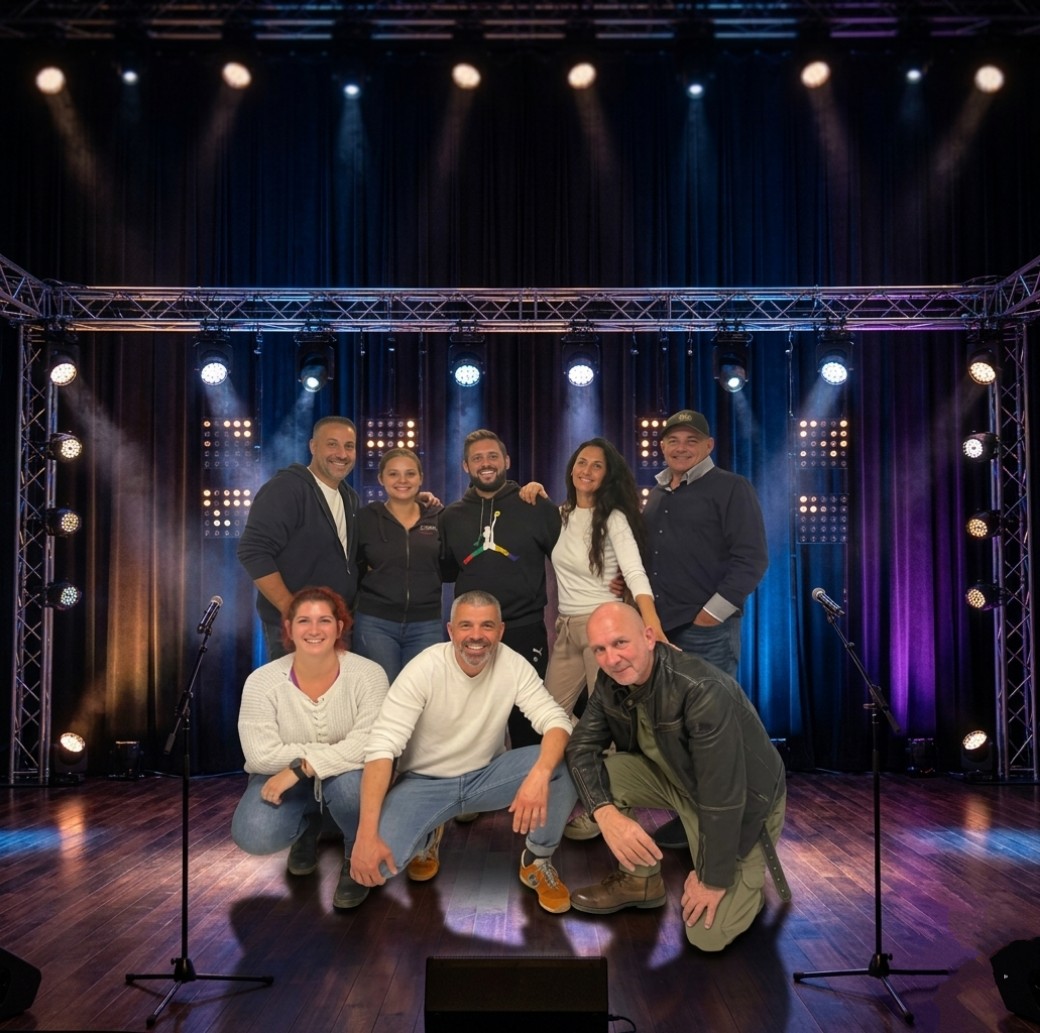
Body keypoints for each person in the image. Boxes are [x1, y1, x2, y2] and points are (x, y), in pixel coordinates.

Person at [565, 602, 789, 952]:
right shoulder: (611, 681)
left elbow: (724, 794)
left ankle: (749, 888)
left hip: (745, 804)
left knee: (707, 936)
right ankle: (639, 882)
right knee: (598, 776)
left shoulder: (700, 688)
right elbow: (580, 749)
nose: (611, 659)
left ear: (648, 637)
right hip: (679, 781)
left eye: (620, 643)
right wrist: (605, 814)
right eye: (600, 649)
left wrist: (712, 879)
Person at [349, 591, 578, 914]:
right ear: (451, 630)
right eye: (466, 625)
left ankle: (537, 860)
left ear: (500, 630)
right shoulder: (425, 667)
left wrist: (539, 774)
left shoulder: (512, 664)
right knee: (377, 870)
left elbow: (556, 720)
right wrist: (365, 835)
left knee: (563, 763)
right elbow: (382, 747)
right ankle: (429, 835)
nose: (476, 635)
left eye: (487, 626)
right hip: (424, 782)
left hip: (487, 776)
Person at [642, 409, 768, 848]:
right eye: (673, 440)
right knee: (676, 733)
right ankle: (693, 818)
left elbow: (752, 559)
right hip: (663, 633)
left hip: (705, 632)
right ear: (662, 446)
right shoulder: (657, 493)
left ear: (708, 446)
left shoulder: (731, 487)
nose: (681, 448)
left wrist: (710, 615)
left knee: (713, 731)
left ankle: (726, 830)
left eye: (690, 441)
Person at [230, 586, 390, 911]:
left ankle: (356, 855)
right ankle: (307, 826)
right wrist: (329, 755)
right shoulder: (261, 681)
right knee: (253, 833)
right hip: (286, 776)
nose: (314, 630)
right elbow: (260, 755)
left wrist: (302, 767)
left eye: (324, 621)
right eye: (304, 621)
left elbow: (371, 744)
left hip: (343, 777)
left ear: (340, 627)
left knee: (350, 789)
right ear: (289, 628)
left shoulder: (369, 675)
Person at [439, 429, 562, 748]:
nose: (486, 463)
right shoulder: (450, 517)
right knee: (473, 723)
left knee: (527, 723)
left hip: (525, 630)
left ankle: (530, 777)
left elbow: (569, 558)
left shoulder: (535, 506)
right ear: (465, 466)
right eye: (477, 458)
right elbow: (445, 571)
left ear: (506, 461)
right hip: (472, 635)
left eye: (492, 456)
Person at [237, 416, 361, 660]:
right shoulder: (286, 488)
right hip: (293, 628)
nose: (342, 454)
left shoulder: (350, 497)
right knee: (293, 686)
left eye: (349, 446)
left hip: (337, 626)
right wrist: (292, 611)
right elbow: (252, 551)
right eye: (332, 444)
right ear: (313, 446)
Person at [353, 448, 445, 683]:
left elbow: (449, 565)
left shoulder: (439, 518)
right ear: (381, 478)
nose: (402, 480)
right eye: (393, 474)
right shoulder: (365, 519)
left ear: (421, 478)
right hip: (375, 624)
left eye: (410, 474)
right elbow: (353, 567)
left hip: (426, 624)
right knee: (381, 693)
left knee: (421, 695)